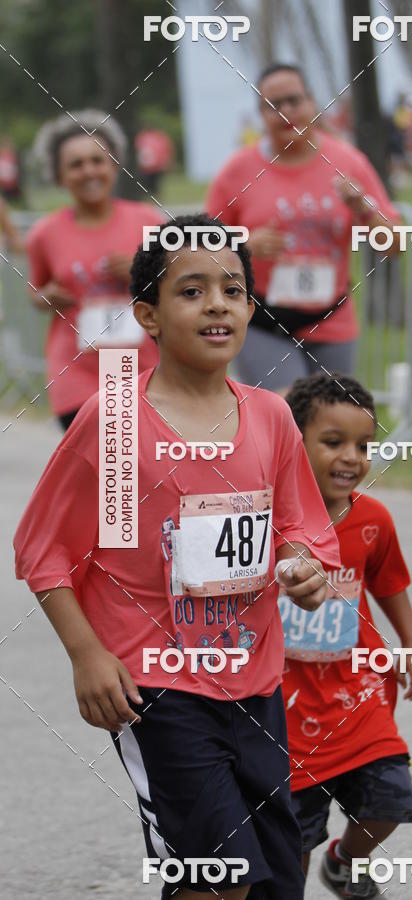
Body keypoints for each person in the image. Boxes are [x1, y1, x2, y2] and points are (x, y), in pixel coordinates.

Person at [14, 213, 342, 899]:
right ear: (148, 315)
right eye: (191, 291)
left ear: (251, 307)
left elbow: (299, 524)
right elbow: (45, 549)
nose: (217, 303)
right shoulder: (116, 424)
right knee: (216, 877)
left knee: (280, 876)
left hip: (255, 680)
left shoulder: (271, 416)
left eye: (232, 289)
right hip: (155, 682)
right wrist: (86, 654)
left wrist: (304, 564)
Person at [280, 373, 412, 899]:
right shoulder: (268, 519)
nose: (352, 458)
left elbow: (390, 584)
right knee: (293, 834)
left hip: (359, 686)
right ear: (293, 442)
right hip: (286, 703)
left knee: (389, 795)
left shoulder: (373, 520)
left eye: (364, 445)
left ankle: (346, 862)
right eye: (333, 442)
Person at [206, 63, 403, 394]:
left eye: (294, 101)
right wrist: (244, 245)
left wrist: (363, 207)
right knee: (287, 410)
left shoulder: (348, 162)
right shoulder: (237, 172)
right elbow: (201, 249)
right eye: (273, 106)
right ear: (260, 114)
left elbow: (394, 246)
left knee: (329, 422)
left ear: (312, 104)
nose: (286, 113)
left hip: (330, 316)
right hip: (261, 319)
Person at [28, 109, 164, 430]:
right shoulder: (44, 234)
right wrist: (46, 297)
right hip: (78, 374)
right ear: (59, 175)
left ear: (114, 165)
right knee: (112, 470)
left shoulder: (148, 222)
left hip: (147, 370)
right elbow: (36, 290)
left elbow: (181, 287)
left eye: (97, 160)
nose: (88, 171)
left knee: (143, 474)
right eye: (75, 164)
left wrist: (140, 273)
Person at [135, 128, 175, 195]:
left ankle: (153, 195)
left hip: (155, 165)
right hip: (147, 166)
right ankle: (150, 195)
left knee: (154, 182)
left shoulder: (158, 137)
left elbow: (165, 149)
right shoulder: (145, 137)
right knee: (148, 182)